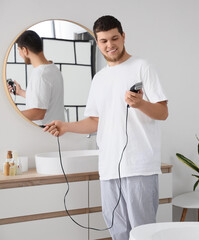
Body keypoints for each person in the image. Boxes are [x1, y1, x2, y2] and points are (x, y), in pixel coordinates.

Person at [44, 15, 168, 240]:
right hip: (109, 167)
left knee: (143, 233)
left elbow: (162, 112)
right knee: (118, 231)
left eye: (114, 38)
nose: (110, 45)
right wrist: (66, 126)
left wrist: (140, 104)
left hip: (139, 166)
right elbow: (95, 121)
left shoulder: (142, 67)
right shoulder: (99, 79)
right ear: (97, 42)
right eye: (103, 41)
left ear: (123, 37)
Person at [7, 30, 65, 125]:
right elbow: (44, 98)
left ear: (25, 50)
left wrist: (10, 116)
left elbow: (38, 113)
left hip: (45, 133)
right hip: (55, 131)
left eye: (19, 50)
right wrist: (20, 92)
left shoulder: (41, 74)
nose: (20, 54)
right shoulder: (52, 68)